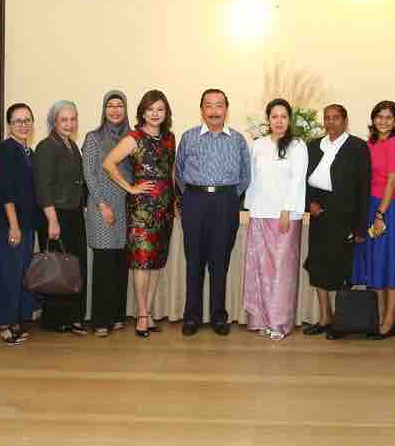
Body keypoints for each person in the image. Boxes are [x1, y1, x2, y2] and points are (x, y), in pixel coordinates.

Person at [175, 89, 251, 336]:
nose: (214, 111)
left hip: (225, 202)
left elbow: (245, 176)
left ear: (226, 109)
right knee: (194, 261)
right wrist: (193, 195)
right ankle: (192, 317)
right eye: (208, 105)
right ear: (202, 110)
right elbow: (179, 172)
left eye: (219, 105)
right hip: (194, 201)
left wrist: (225, 196)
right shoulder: (189, 137)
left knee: (220, 262)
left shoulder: (237, 140)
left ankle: (219, 316)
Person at [103, 90, 176, 338]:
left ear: (166, 113)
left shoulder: (170, 138)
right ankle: (142, 315)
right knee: (142, 263)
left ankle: (150, 312)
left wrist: (175, 201)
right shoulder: (133, 138)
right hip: (142, 210)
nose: (155, 114)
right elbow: (108, 163)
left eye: (160, 109)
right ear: (142, 112)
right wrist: (131, 187)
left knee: (156, 263)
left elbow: (171, 172)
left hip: (165, 208)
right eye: (150, 109)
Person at [302, 104, 371, 338]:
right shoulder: (313, 146)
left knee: (342, 269)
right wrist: (309, 203)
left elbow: (363, 188)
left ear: (345, 120)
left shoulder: (358, 147)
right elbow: (302, 180)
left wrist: (360, 227)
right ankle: (325, 318)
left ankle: (342, 322)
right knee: (318, 267)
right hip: (319, 214)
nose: (331, 122)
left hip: (345, 216)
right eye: (327, 118)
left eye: (336, 118)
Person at [243, 99, 308, 341]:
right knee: (261, 269)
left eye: (283, 116)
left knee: (282, 271)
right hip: (260, 213)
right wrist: (250, 208)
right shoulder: (258, 145)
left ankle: (279, 323)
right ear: (268, 119)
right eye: (274, 116)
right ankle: (261, 319)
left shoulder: (298, 146)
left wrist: (287, 211)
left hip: (285, 216)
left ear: (289, 119)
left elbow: (297, 180)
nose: (279, 121)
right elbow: (253, 179)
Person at [352, 100, 395, 339]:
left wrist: (380, 213)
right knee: (377, 263)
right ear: (373, 118)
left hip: (390, 209)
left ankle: (389, 321)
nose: (384, 121)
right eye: (380, 116)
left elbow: (393, 180)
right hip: (371, 206)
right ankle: (378, 318)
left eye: (389, 117)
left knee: (392, 264)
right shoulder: (369, 144)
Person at [0, 103, 42, 345]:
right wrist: (14, 225)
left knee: (19, 275)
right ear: (9, 125)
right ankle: (3, 325)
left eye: (27, 120)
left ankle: (15, 320)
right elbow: (5, 190)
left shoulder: (28, 151)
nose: (24, 125)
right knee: (5, 275)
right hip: (9, 225)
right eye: (18, 121)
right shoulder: (6, 150)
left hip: (26, 224)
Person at [34, 100, 89, 335]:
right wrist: (52, 220)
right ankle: (56, 319)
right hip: (55, 215)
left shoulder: (72, 145)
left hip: (73, 213)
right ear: (54, 122)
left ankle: (74, 316)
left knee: (74, 267)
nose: (69, 124)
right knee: (56, 268)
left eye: (73, 119)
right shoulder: (46, 146)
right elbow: (43, 186)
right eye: (63, 119)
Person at [82, 90, 132, 337]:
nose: (115, 110)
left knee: (120, 263)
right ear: (104, 110)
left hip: (126, 206)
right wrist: (102, 204)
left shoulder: (132, 138)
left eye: (119, 105)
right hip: (102, 206)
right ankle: (101, 320)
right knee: (104, 263)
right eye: (110, 105)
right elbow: (89, 174)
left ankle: (117, 315)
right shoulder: (93, 138)